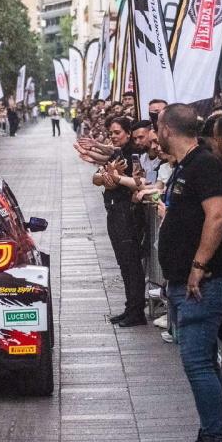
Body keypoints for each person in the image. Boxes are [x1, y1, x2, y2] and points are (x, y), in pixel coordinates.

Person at [155, 103, 222, 442]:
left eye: (157, 126)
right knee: (199, 362)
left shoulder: (204, 164)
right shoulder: (185, 166)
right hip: (181, 281)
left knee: (198, 361)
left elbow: (217, 215)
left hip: (204, 283)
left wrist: (199, 266)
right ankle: (208, 433)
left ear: (167, 128)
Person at [92, 117, 146, 327]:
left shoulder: (132, 156)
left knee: (131, 264)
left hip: (126, 213)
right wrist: (108, 175)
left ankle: (136, 311)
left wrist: (112, 177)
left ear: (128, 133)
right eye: (111, 133)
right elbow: (97, 178)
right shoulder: (116, 154)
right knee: (123, 264)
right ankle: (130, 307)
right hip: (113, 211)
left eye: (117, 132)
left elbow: (131, 182)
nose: (113, 136)